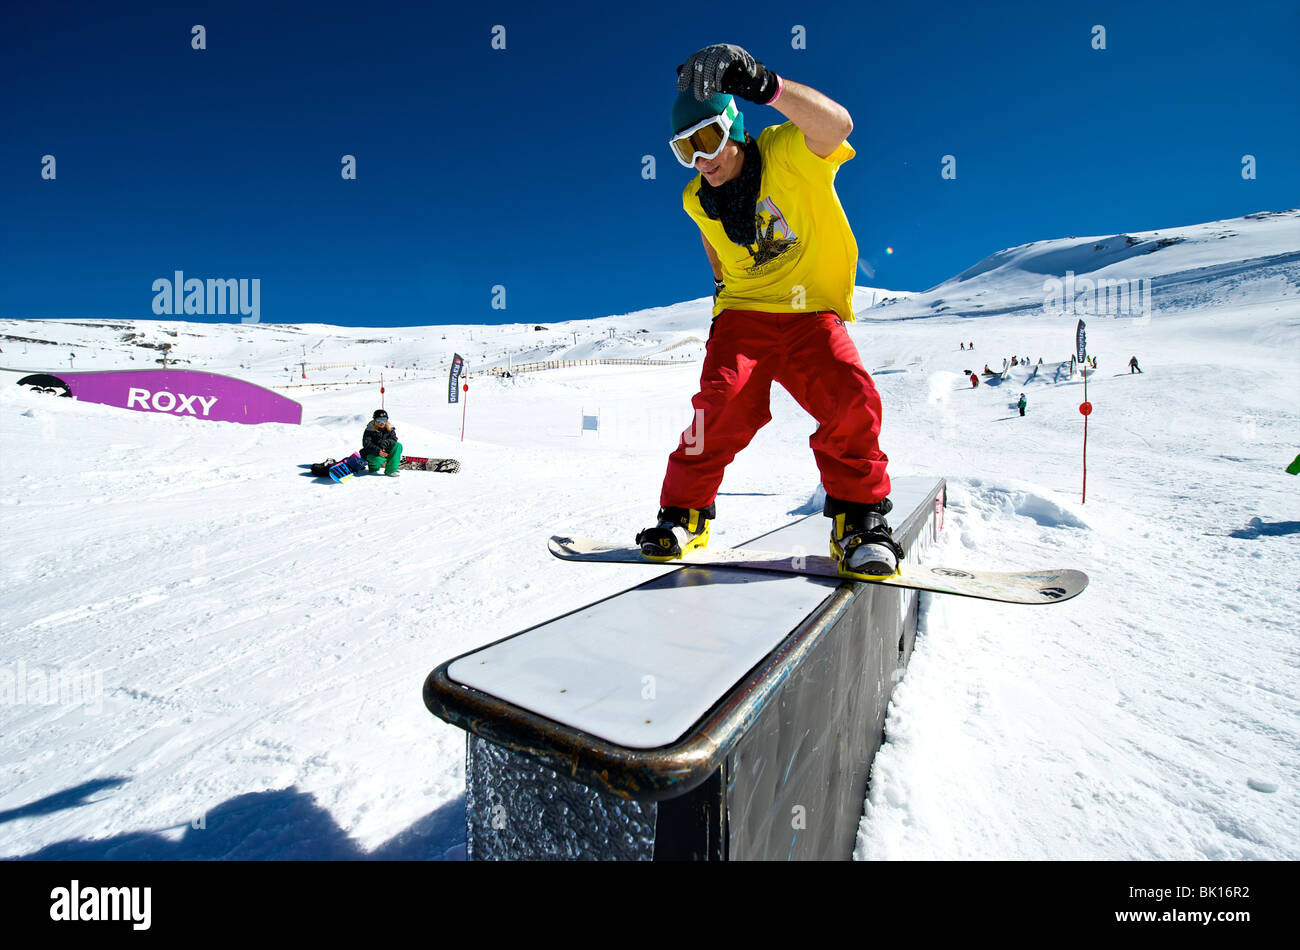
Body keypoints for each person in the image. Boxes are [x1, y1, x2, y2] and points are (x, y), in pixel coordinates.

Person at [638, 42, 901, 578]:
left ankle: (859, 520)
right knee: (721, 404)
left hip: (811, 312)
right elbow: (713, 239)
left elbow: (839, 127)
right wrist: (719, 289)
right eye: (684, 150)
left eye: (708, 139)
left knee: (851, 395)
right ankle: (685, 514)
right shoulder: (695, 198)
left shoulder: (786, 153)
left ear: (732, 128)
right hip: (744, 313)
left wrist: (767, 86)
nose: (701, 159)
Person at [362, 409, 403, 476]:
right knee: (376, 460)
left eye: (384, 420)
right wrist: (378, 451)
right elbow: (366, 444)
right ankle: (374, 468)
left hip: (386, 452)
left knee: (398, 445)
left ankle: (391, 470)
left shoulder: (390, 428)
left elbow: (393, 439)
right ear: (374, 420)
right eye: (379, 420)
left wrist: (384, 444)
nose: (381, 423)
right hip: (373, 453)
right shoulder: (370, 429)